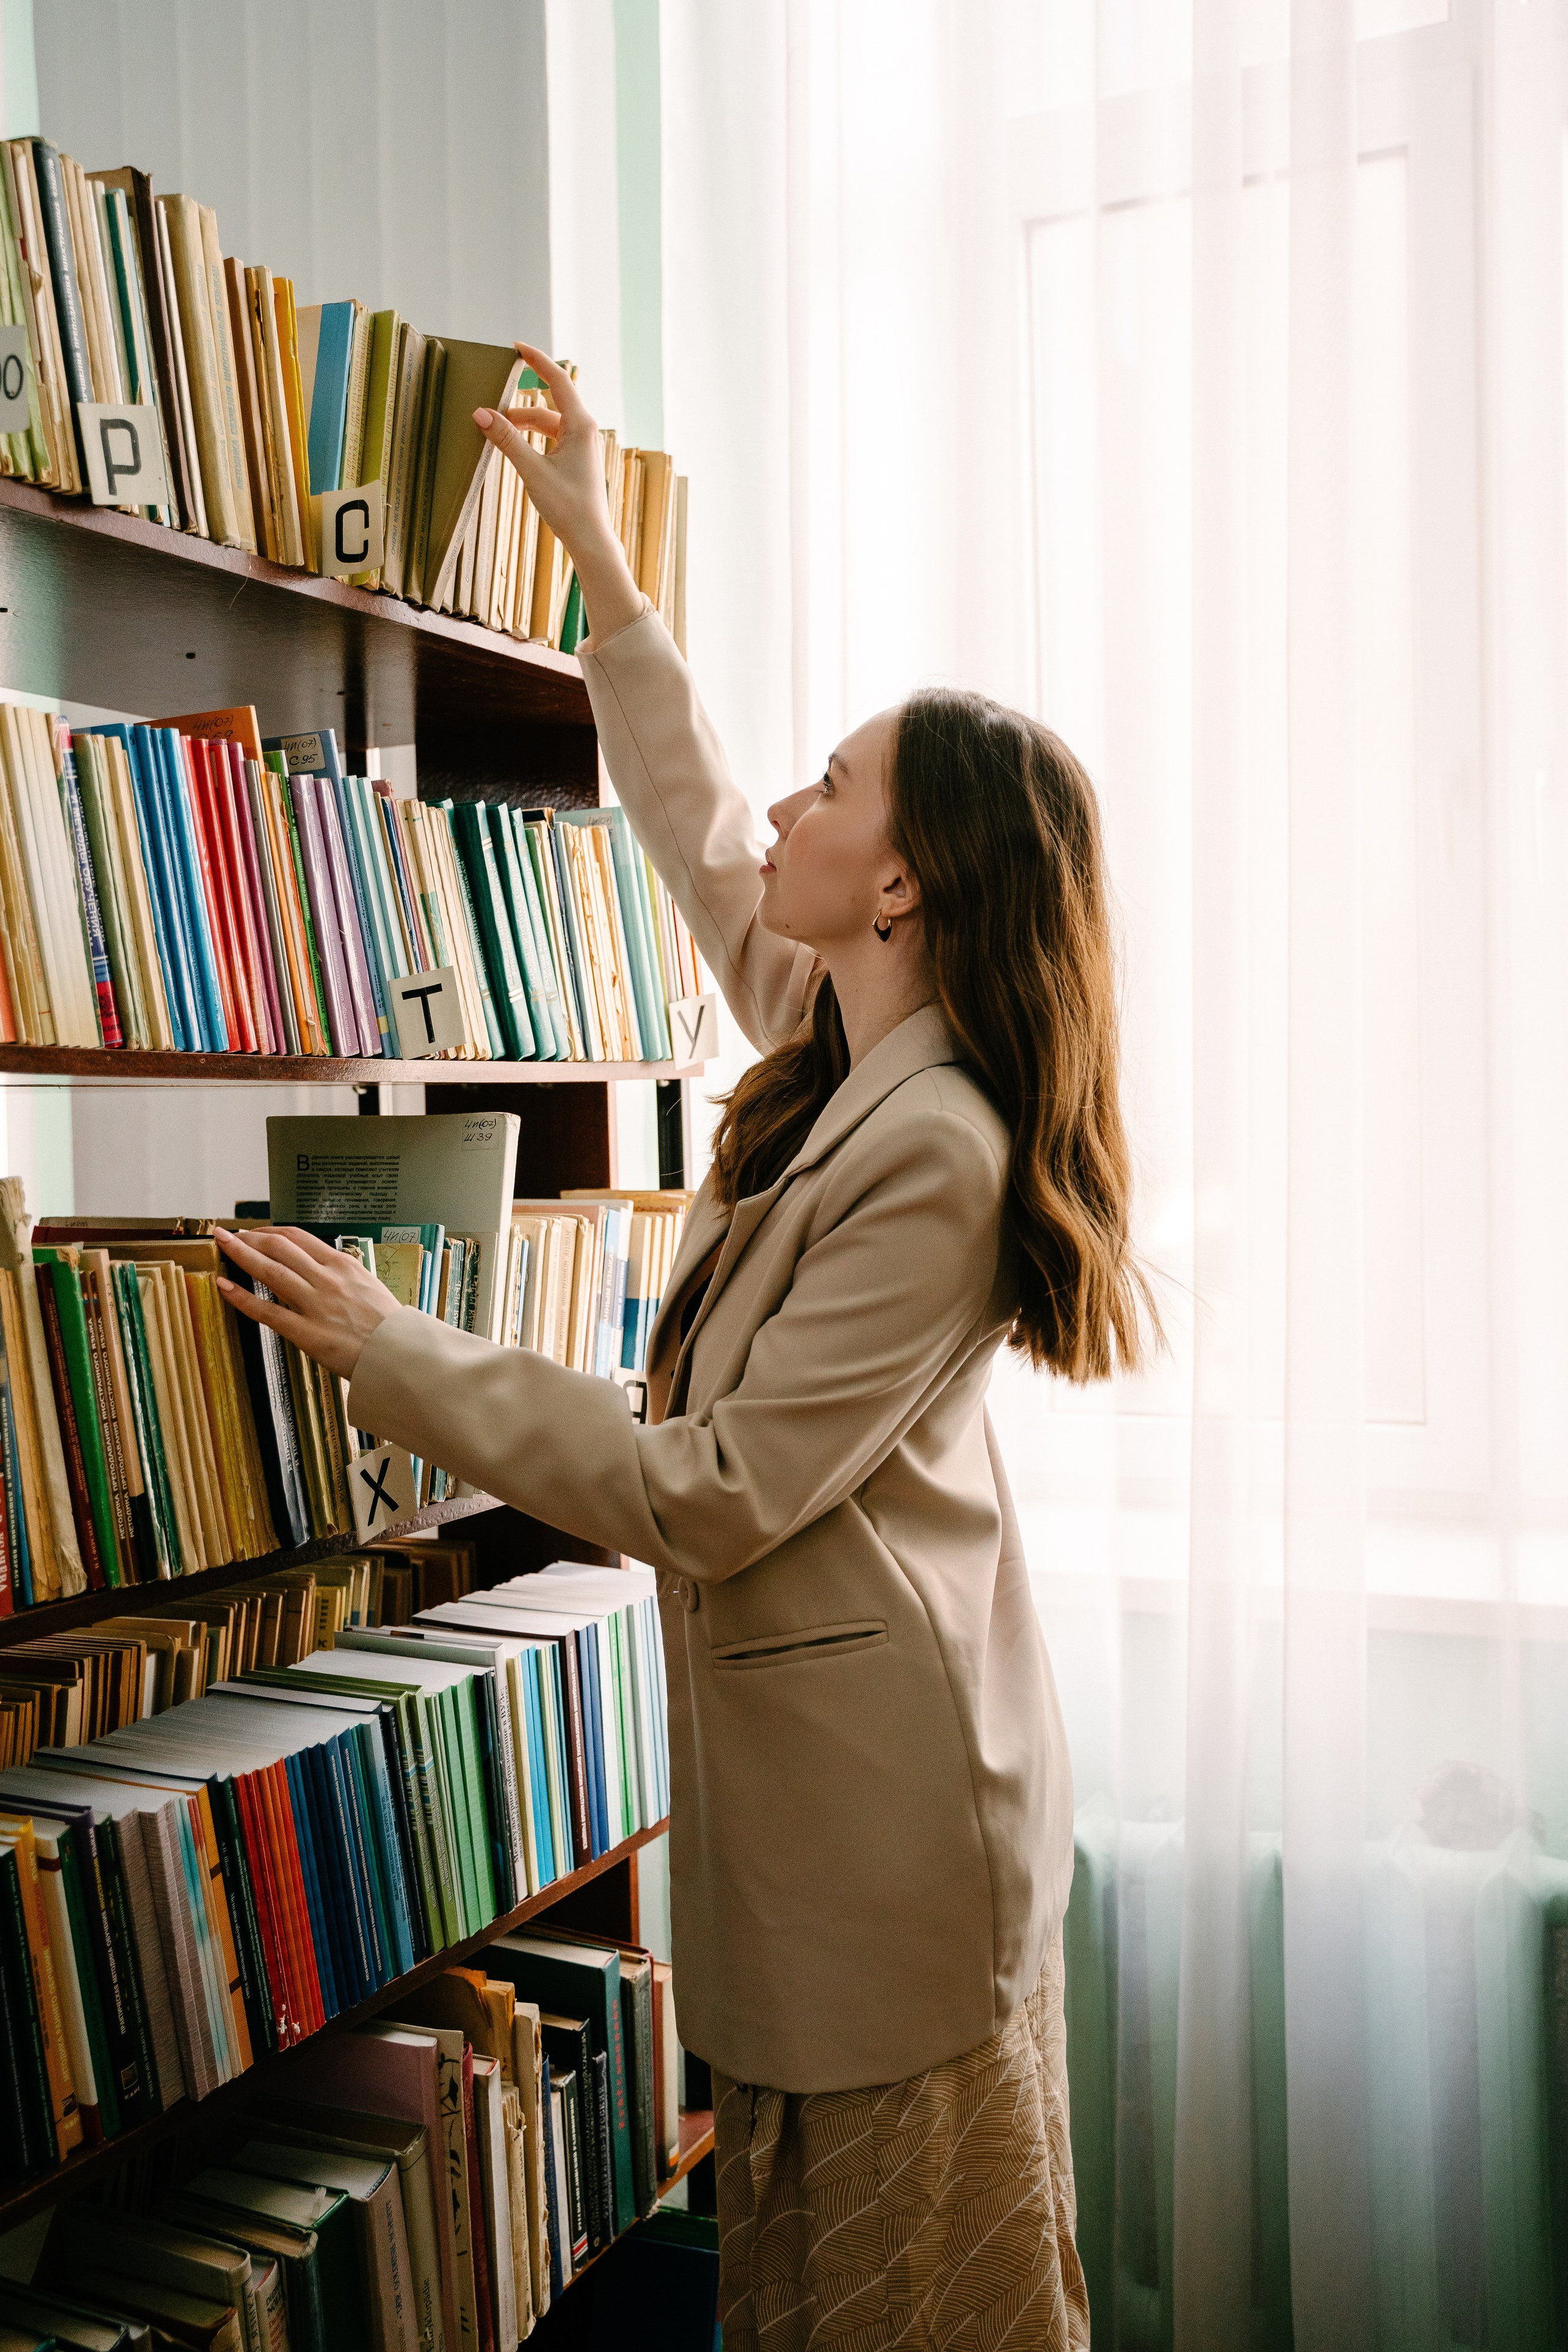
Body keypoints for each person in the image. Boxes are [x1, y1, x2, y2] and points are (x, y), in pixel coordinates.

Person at [216, 344, 1153, 2351]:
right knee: (812, 2295)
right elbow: (701, 826)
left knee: (918, 2307)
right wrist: (596, 572)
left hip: (892, 1836)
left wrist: (406, 1347)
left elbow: (712, 1491)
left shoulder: (942, 1152)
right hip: (828, 1813)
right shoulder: (844, 1051)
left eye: (841, 785)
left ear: (900, 882)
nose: (795, 808)